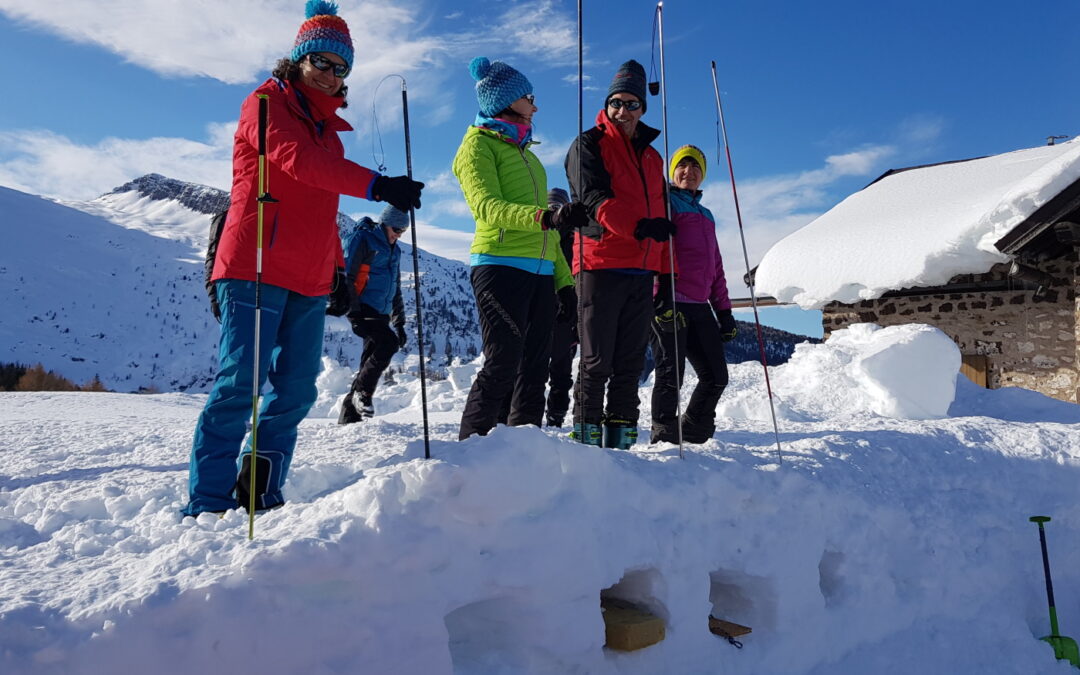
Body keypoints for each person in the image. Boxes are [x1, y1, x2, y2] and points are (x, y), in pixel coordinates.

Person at [182, 0, 423, 517]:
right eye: (322, 62)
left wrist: (337, 267)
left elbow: (321, 207)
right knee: (240, 386)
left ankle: (259, 493)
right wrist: (377, 184)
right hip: (256, 266)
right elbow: (299, 163)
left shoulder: (330, 134)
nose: (332, 75)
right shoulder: (265, 105)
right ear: (299, 59)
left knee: (293, 393)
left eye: (342, 69)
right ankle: (206, 505)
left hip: (310, 277)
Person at [453, 56, 585, 440]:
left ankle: (523, 453)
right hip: (499, 264)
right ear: (506, 100)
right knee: (503, 360)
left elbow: (548, 238)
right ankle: (470, 452)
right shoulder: (476, 146)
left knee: (535, 367)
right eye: (530, 97)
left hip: (542, 272)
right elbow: (487, 207)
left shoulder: (529, 156)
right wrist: (546, 218)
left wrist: (565, 283)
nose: (536, 105)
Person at [564, 59, 676, 449]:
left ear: (642, 108)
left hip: (641, 270)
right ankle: (584, 444)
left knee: (629, 364)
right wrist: (638, 227)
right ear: (607, 105)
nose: (623, 112)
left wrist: (666, 273)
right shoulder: (588, 145)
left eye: (631, 104)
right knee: (596, 362)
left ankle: (621, 443)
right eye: (616, 103)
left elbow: (661, 216)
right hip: (600, 262)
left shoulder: (652, 157)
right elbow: (594, 198)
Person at [650, 145, 736, 444]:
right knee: (670, 374)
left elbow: (716, 265)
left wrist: (723, 311)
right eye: (682, 166)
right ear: (673, 172)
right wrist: (658, 296)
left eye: (696, 167)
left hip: (700, 306)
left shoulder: (707, 215)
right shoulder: (665, 202)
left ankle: (694, 428)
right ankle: (663, 432)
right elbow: (656, 250)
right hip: (669, 300)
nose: (689, 172)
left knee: (716, 377)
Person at [337, 205, 410, 424]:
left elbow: (395, 287)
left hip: (382, 311)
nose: (397, 235)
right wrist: (354, 312)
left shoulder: (394, 250)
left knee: (369, 360)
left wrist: (400, 322)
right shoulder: (364, 239)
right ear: (384, 223)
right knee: (388, 344)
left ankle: (349, 417)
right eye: (396, 229)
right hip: (362, 306)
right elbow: (347, 276)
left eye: (402, 232)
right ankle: (363, 393)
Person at [543, 187, 578, 428]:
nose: (555, 210)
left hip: (566, 312)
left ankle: (556, 416)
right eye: (551, 207)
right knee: (535, 368)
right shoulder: (540, 234)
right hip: (542, 308)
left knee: (561, 371)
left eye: (559, 206)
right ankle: (529, 414)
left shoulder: (577, 240)